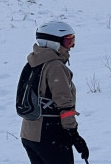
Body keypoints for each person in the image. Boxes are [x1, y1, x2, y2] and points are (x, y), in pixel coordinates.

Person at [20, 20, 90, 164]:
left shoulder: (34, 61)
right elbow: (64, 104)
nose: (71, 46)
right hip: (50, 135)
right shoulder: (54, 66)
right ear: (52, 43)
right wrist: (74, 134)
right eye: (68, 41)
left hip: (29, 134)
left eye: (72, 40)